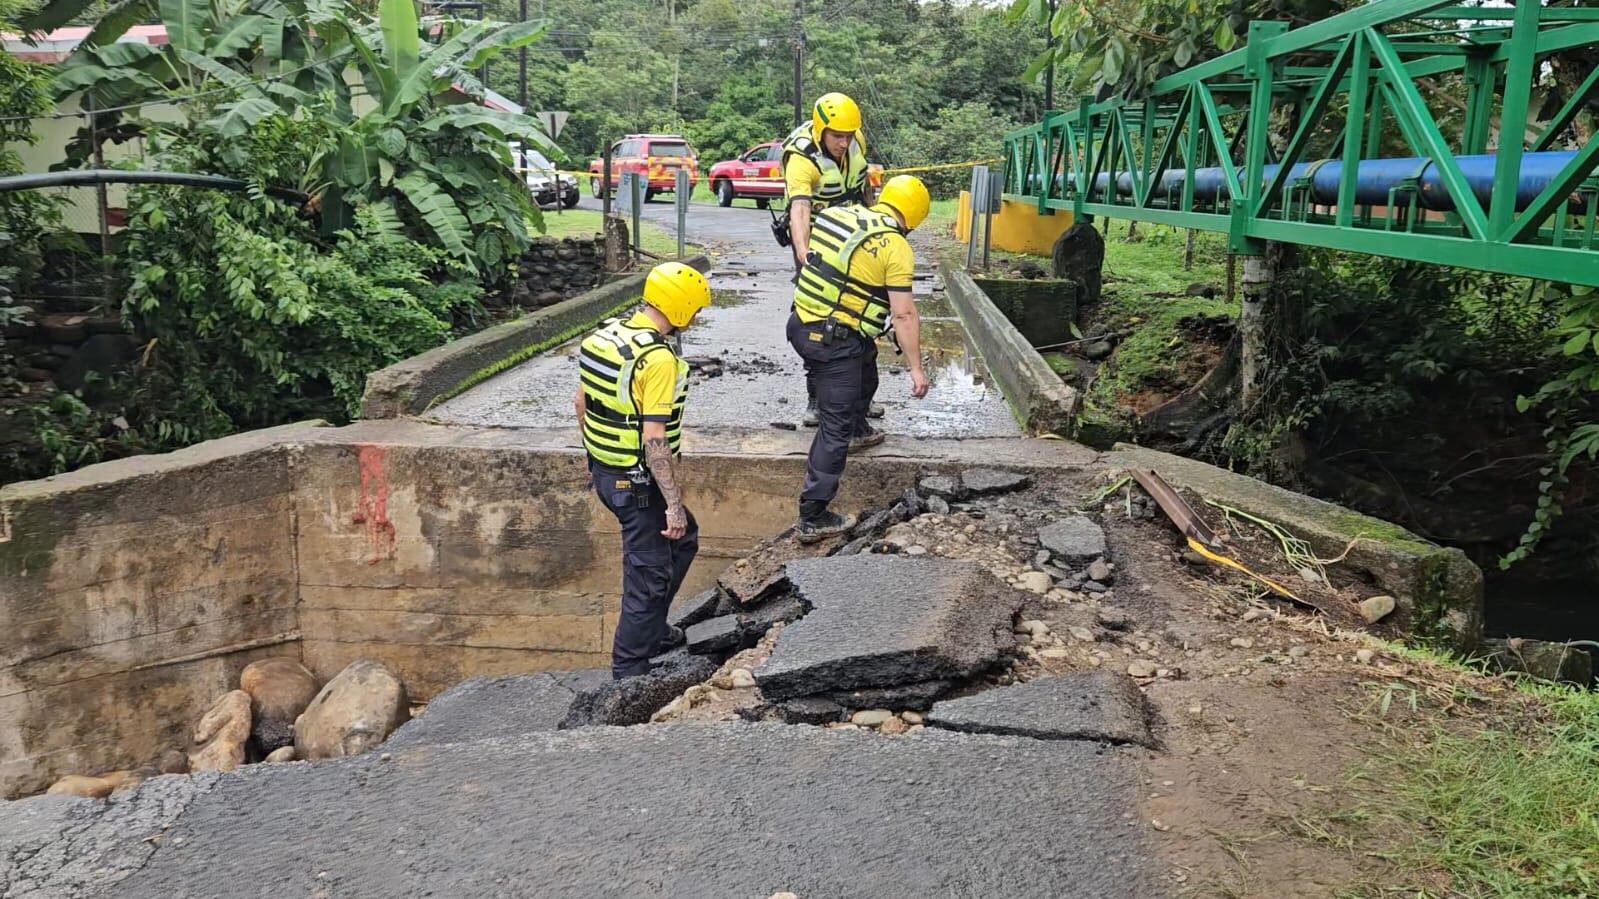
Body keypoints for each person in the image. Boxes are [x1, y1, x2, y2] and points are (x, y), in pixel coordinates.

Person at [574, 261, 712, 679]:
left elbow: (582, 403)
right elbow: (655, 439)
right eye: (697, 310)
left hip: (604, 470)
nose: (698, 318)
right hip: (637, 484)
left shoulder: (605, 337)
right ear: (683, 308)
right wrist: (671, 503)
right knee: (647, 576)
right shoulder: (658, 360)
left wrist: (593, 457)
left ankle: (651, 630)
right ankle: (629, 670)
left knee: (684, 539)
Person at [786, 175, 932, 542]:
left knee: (865, 358)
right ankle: (812, 515)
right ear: (913, 218)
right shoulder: (895, 247)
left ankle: (858, 426)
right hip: (832, 342)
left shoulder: (840, 214)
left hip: (801, 323)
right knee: (832, 431)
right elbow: (903, 315)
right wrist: (916, 368)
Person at [780, 92, 883, 428]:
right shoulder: (801, 158)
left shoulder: (855, 142)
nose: (844, 142)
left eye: (849, 135)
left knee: (860, 313)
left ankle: (858, 400)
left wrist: (877, 225)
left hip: (853, 239)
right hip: (817, 242)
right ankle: (817, 400)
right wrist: (804, 255)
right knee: (818, 319)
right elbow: (799, 209)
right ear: (821, 130)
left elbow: (864, 187)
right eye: (837, 136)